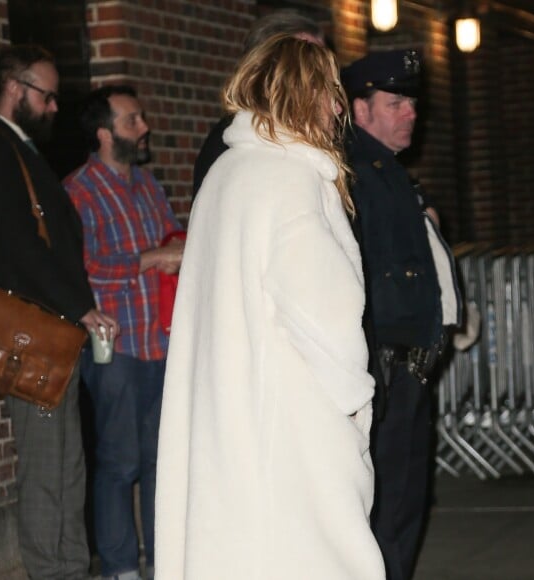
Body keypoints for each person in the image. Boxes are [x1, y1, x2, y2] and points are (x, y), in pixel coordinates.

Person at [155, 34, 385, 580]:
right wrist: (354, 401)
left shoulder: (229, 173)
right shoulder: (291, 177)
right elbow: (325, 313)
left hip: (235, 415)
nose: (337, 108)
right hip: (291, 422)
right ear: (306, 96)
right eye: (330, 93)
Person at [0, 44, 117, 579]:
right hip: (40, 332)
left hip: (54, 332)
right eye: (46, 96)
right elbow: (18, 244)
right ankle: (55, 571)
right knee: (49, 466)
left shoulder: (18, 149)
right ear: (15, 88)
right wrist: (81, 307)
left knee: (67, 463)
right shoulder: (0, 149)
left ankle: (67, 567)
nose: (53, 108)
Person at [342, 50, 462, 580]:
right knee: (388, 501)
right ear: (359, 108)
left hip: (407, 360)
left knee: (406, 496)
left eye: (411, 101)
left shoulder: (388, 171)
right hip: (384, 363)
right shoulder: (355, 172)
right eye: (395, 102)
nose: (410, 112)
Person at [63, 85, 184, 580]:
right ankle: (118, 568)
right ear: (104, 132)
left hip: (160, 339)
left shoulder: (147, 185)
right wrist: (152, 259)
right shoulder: (77, 190)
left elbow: (170, 239)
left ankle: (162, 560)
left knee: (161, 459)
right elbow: (80, 268)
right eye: (133, 121)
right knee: (119, 462)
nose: (144, 127)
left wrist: (179, 246)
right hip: (116, 345)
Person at [192, 10, 325, 195]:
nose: (319, 82)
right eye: (305, 66)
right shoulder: (234, 142)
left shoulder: (295, 135)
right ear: (268, 68)